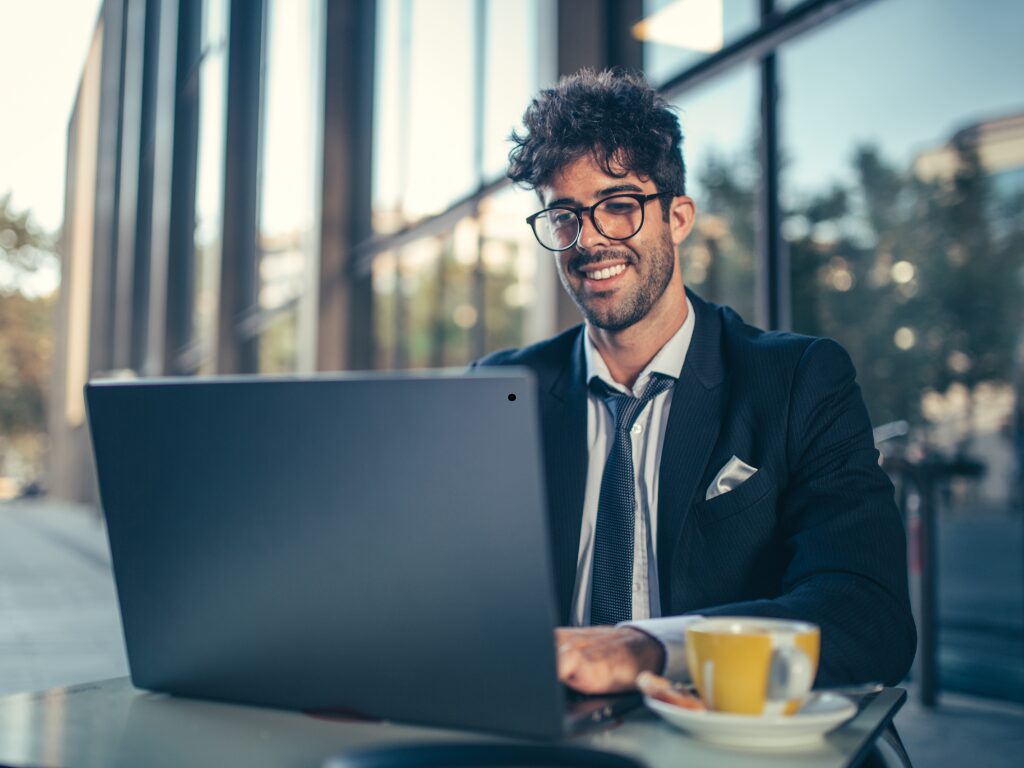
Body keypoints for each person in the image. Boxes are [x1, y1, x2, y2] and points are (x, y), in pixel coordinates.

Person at [473, 69, 916, 694]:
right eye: (565, 216)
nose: (590, 240)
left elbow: (866, 615)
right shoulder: (499, 391)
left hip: (712, 732)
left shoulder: (798, 379)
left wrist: (651, 647)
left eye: (619, 206)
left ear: (678, 218)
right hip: (540, 735)